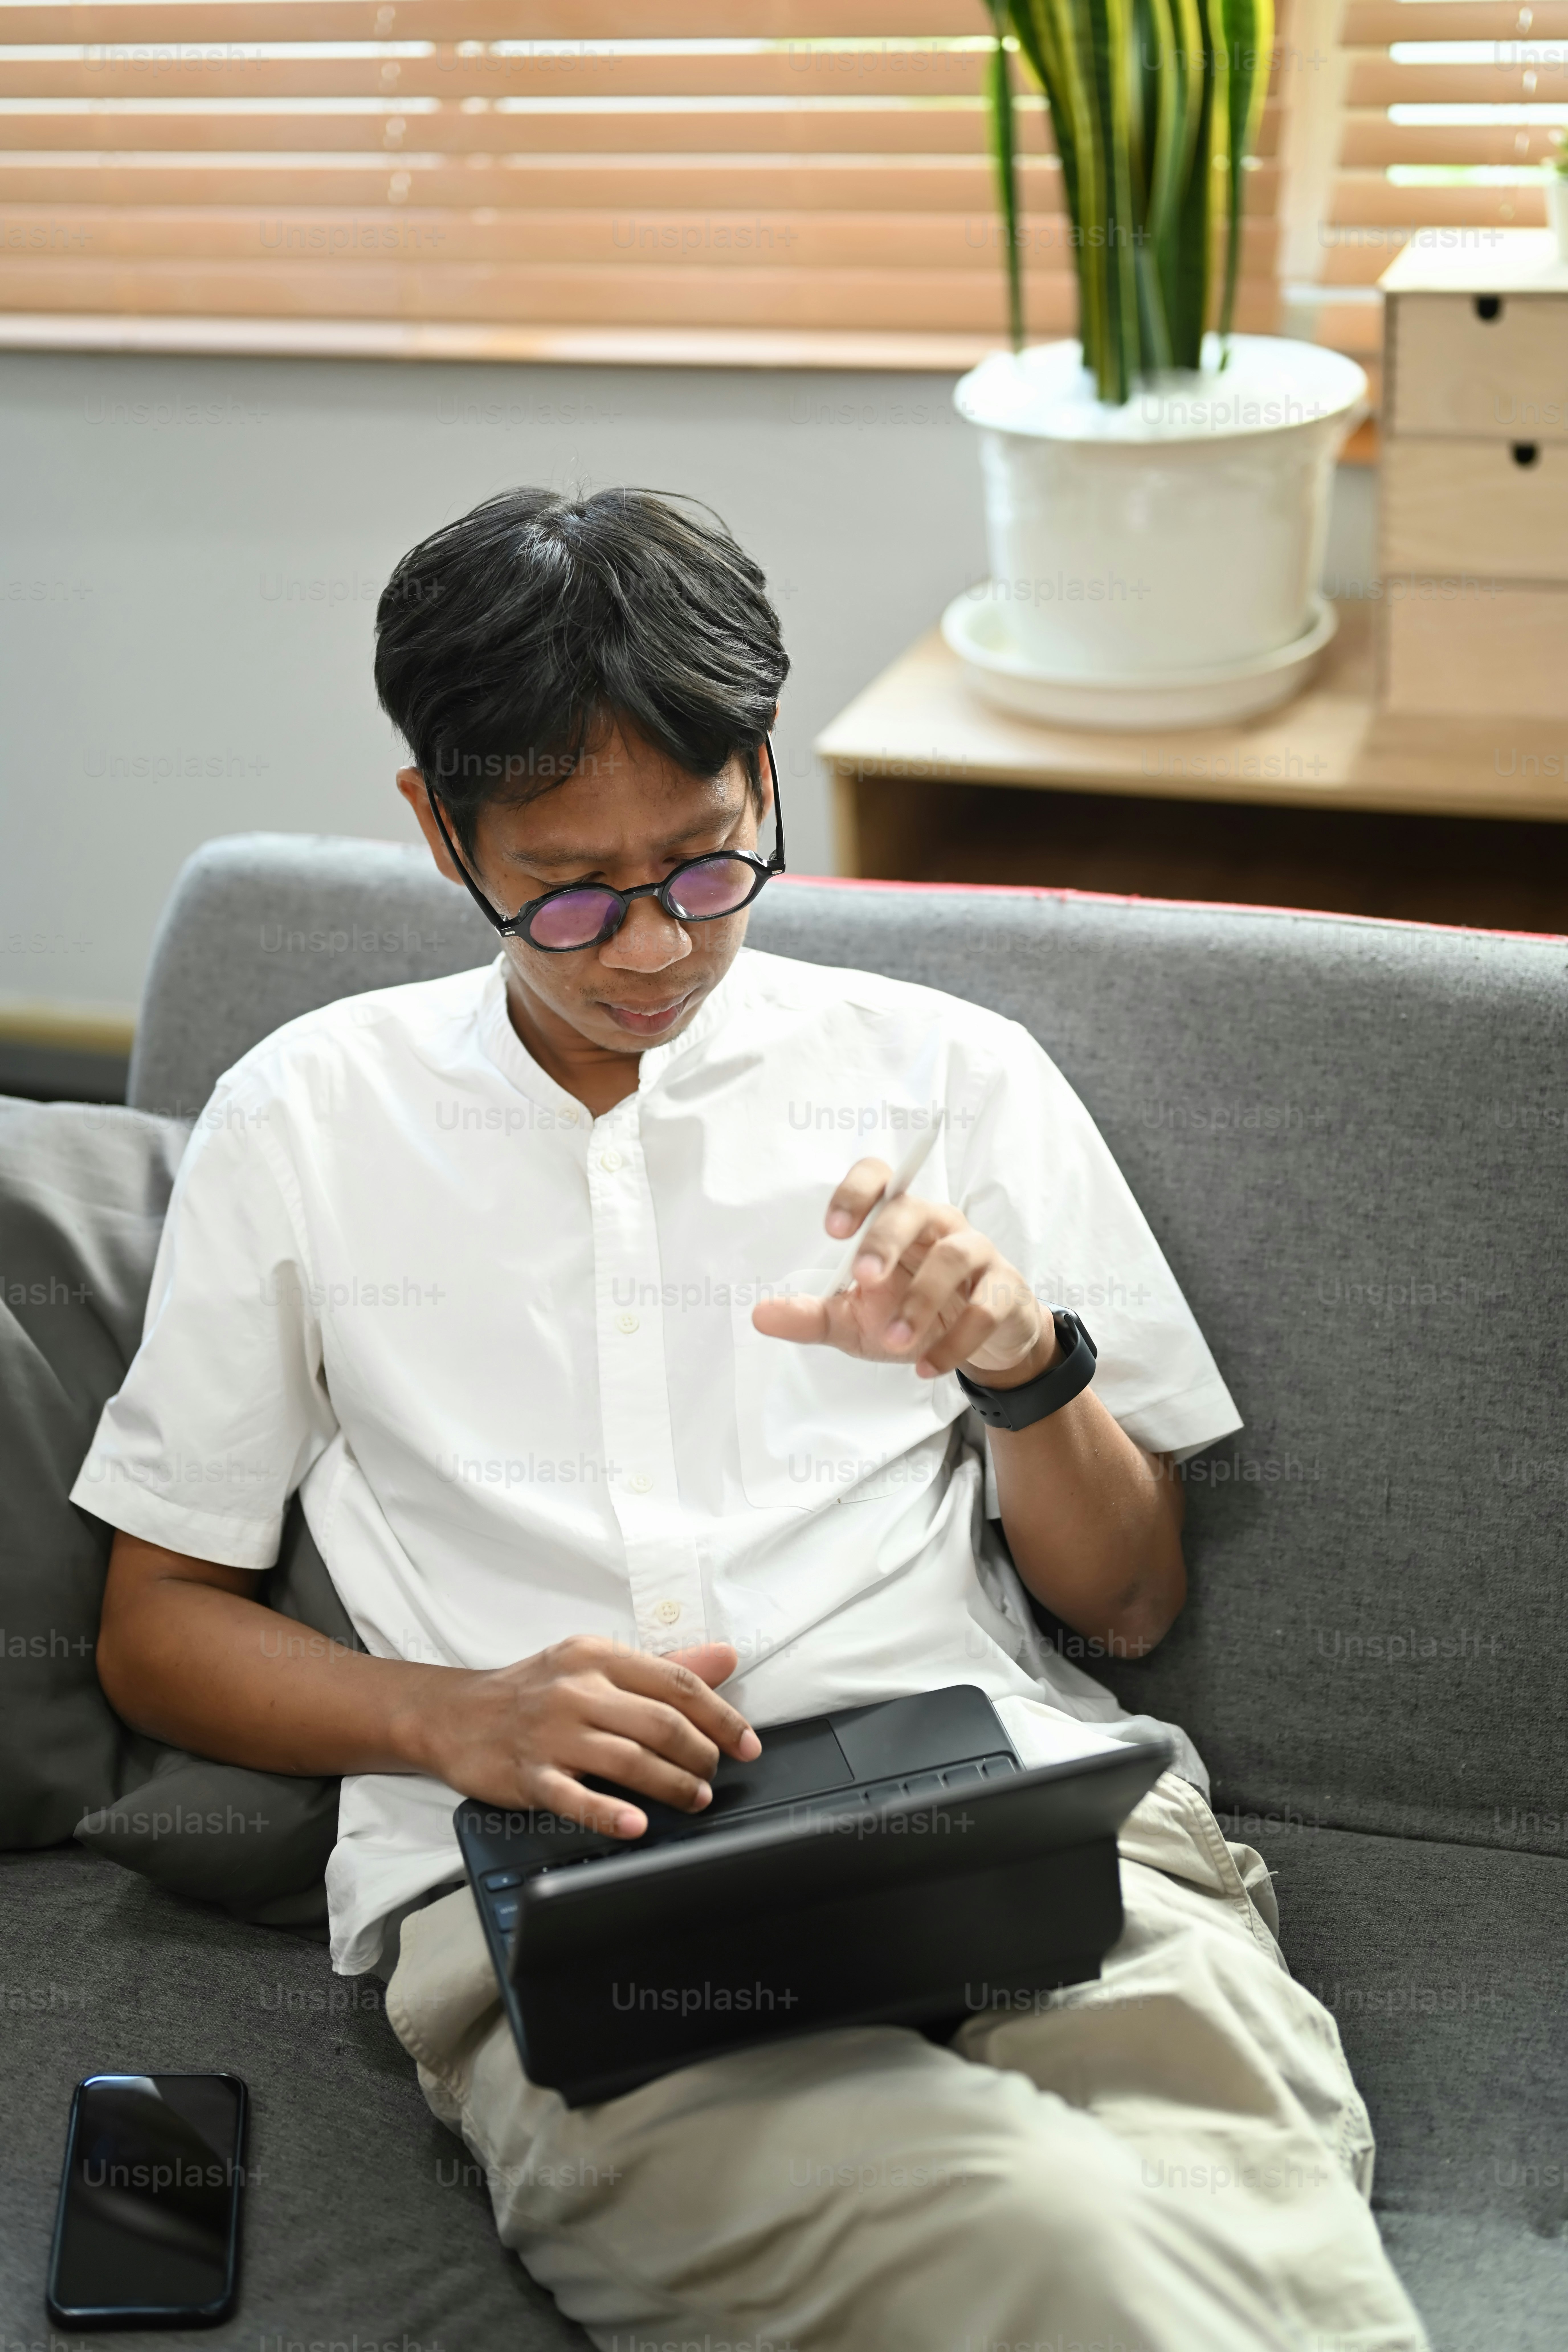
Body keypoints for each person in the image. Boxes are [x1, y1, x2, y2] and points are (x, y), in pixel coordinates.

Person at [79, 487, 1429, 2352]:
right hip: (588, 1901)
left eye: (706, 866)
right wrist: (451, 1715)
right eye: (568, 889)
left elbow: (1126, 1606)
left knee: (1280, 2269)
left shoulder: (948, 1078)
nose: (651, 948)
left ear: (766, 781)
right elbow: (154, 1627)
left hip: (1013, 1823)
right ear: (437, 828)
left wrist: (1023, 1368)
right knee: (1028, 2234)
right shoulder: (306, 1120)